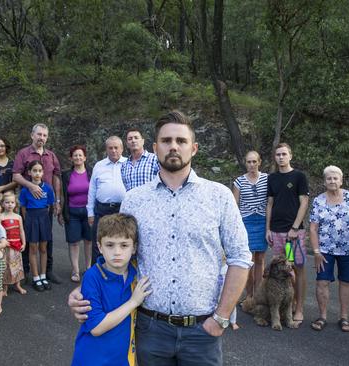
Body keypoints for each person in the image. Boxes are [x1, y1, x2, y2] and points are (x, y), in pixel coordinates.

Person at [70, 110, 252, 366]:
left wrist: (221, 318)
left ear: (194, 148)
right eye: (166, 141)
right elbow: (117, 255)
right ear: (155, 147)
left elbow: (240, 257)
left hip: (202, 331)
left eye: (181, 141)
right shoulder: (134, 200)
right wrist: (84, 290)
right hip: (149, 330)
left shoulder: (219, 197)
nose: (174, 146)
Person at [71, 213, 152, 366]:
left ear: (134, 248)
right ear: (99, 247)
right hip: (93, 359)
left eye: (124, 245)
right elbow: (96, 327)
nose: (117, 252)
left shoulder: (136, 272)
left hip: (123, 358)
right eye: (110, 245)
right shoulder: (92, 276)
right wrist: (133, 302)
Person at [308, 166, 349, 332]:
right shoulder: (318, 200)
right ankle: (322, 316)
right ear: (324, 181)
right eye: (329, 178)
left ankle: (344, 317)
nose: (332, 181)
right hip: (325, 250)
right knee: (322, 281)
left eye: (335, 178)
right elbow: (313, 228)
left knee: (346, 282)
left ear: (341, 180)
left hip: (348, 249)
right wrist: (316, 252)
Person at [265, 143, 309, 325]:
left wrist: (295, 228)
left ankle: (298, 308)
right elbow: (269, 204)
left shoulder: (298, 177)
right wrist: (268, 229)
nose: (281, 157)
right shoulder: (272, 178)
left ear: (290, 155)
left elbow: (304, 203)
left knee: (295, 268)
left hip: (293, 235)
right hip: (276, 232)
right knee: (281, 269)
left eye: (284, 154)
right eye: (278, 155)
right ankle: (284, 305)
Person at [13, 124, 62, 283]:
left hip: (46, 203)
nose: (41, 138)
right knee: (28, 238)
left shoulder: (51, 156)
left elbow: (56, 177)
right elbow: (16, 176)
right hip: (30, 203)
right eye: (39, 134)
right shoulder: (23, 153)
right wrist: (31, 185)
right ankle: (28, 272)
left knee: (47, 239)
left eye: (44, 135)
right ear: (32, 135)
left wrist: (57, 201)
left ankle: (47, 271)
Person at [232, 150, 268, 302]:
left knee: (260, 259)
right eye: (249, 162)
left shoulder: (267, 179)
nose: (252, 165)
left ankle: (259, 294)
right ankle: (249, 295)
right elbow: (234, 205)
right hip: (245, 222)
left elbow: (272, 200)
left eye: (254, 161)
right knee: (249, 260)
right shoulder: (239, 181)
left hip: (262, 221)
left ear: (259, 162)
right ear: (245, 163)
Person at [87, 136, 127, 264]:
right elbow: (92, 190)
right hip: (102, 210)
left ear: (122, 149)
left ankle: (118, 276)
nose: (114, 150)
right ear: (106, 149)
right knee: (99, 244)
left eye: (116, 147)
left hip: (123, 210)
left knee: (121, 243)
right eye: (111, 148)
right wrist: (90, 213)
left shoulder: (129, 164)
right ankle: (97, 276)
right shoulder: (99, 166)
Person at [20, 160, 56, 292]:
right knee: (33, 248)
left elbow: (49, 205)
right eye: (34, 170)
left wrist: (44, 219)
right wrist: (28, 221)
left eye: (40, 171)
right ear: (29, 172)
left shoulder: (48, 188)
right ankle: (35, 277)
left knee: (43, 248)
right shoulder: (25, 190)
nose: (37, 173)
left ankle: (43, 275)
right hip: (31, 219)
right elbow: (23, 208)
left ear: (43, 172)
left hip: (44, 219)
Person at [60, 145, 93, 283]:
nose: (78, 157)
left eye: (80, 155)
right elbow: (63, 195)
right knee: (73, 242)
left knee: (89, 241)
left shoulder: (92, 172)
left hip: (88, 212)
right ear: (71, 158)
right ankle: (75, 270)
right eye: (75, 155)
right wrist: (61, 212)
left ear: (85, 157)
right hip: (72, 212)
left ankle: (89, 268)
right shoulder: (66, 175)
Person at [0, 191, 27, 295]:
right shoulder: (0, 217)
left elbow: (21, 231)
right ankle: (4, 287)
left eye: (12, 202)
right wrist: (1, 243)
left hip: (16, 245)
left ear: (15, 204)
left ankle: (18, 285)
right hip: (6, 245)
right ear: (2, 204)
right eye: (7, 202)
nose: (10, 204)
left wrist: (23, 243)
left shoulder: (18, 217)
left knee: (17, 266)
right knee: (5, 265)